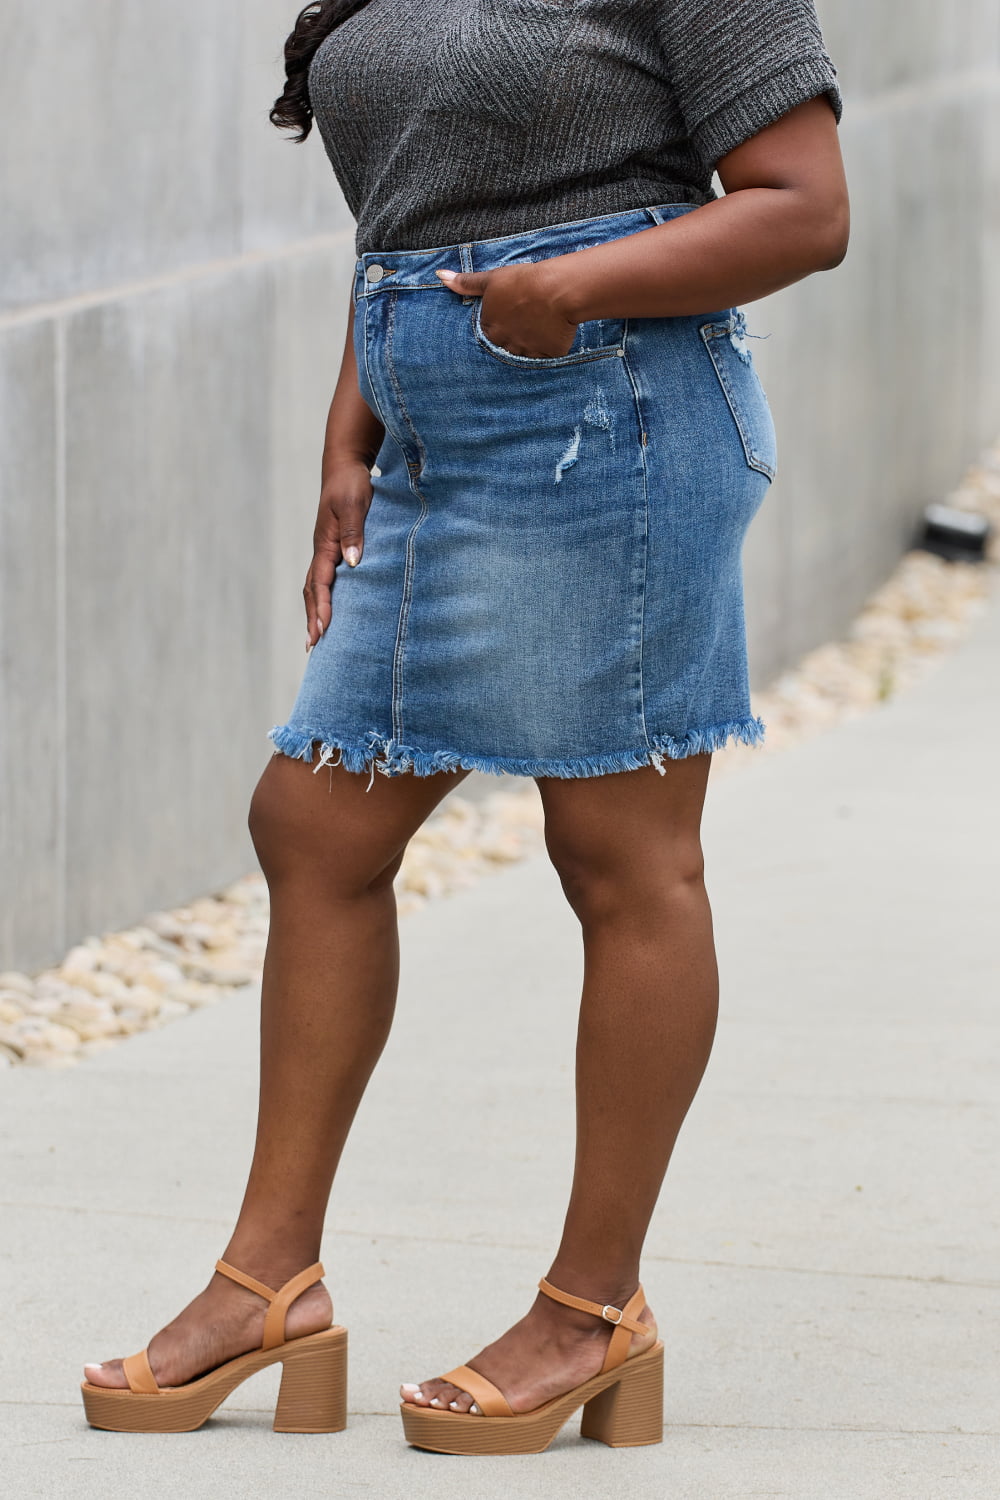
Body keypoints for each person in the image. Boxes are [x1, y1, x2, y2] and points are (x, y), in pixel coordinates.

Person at [81, 0, 848, 1457]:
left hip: (612, 420)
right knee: (313, 820)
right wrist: (349, 431)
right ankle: (270, 1284)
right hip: (433, 445)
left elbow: (805, 209)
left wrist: (568, 289)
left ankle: (593, 1309)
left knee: (621, 858)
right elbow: (411, 213)